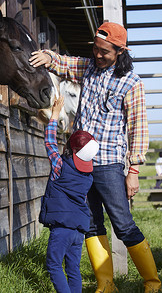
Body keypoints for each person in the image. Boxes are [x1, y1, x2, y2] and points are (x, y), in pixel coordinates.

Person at [30, 22, 161, 292]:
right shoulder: (89, 67)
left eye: (104, 52)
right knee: (90, 223)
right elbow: (66, 63)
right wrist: (49, 57)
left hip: (109, 165)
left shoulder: (131, 83)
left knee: (123, 225)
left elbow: (139, 127)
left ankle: (152, 281)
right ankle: (106, 283)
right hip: (79, 166)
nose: (97, 55)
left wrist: (133, 170)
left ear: (120, 51)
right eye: (95, 49)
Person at [39, 96, 99, 293]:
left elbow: (50, 143)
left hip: (62, 228)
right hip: (79, 230)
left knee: (54, 266)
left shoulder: (60, 166)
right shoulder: (88, 176)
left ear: (70, 149)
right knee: (73, 268)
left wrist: (54, 114)